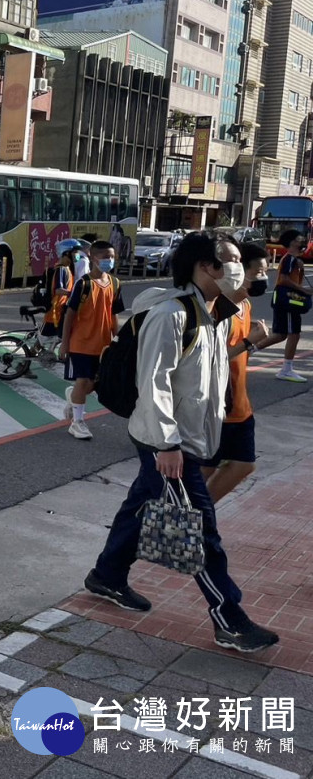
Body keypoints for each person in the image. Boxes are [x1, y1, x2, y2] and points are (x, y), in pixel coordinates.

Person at [84, 233, 280, 654]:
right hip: (167, 441)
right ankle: (230, 618)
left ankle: (107, 574)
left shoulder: (212, 312)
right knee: (201, 528)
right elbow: (153, 384)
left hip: (187, 436)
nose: (237, 268)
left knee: (140, 506)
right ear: (203, 266)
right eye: (228, 260)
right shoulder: (171, 314)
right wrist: (168, 445)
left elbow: (206, 370)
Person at [203, 240, 273, 503]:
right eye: (258, 272)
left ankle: (196, 513)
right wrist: (249, 341)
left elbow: (239, 352)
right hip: (221, 404)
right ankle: (193, 514)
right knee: (208, 467)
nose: (263, 278)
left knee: (242, 464)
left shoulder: (244, 305)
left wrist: (254, 341)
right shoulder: (221, 307)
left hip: (239, 402)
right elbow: (211, 358)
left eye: (265, 271)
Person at [60, 240, 125, 441]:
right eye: (105, 257)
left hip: (103, 344)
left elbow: (114, 314)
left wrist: (118, 340)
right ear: (93, 258)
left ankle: (74, 396)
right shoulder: (84, 284)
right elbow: (70, 314)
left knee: (94, 384)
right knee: (83, 380)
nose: (109, 260)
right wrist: (64, 342)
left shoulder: (115, 283)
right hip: (81, 342)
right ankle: (77, 422)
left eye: (112, 257)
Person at [269, 228, 308, 382]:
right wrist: (303, 290)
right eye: (300, 239)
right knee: (293, 334)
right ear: (292, 242)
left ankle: (249, 349)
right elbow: (284, 279)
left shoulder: (293, 259)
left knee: (281, 334)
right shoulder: (289, 259)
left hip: (287, 298)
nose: (302, 242)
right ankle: (286, 369)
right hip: (288, 300)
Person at [42, 239, 80, 338]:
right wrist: (73, 294)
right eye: (75, 252)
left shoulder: (68, 269)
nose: (77, 255)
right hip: (54, 313)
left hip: (61, 311)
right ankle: (30, 353)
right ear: (67, 253)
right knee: (43, 340)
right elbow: (58, 290)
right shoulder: (60, 269)